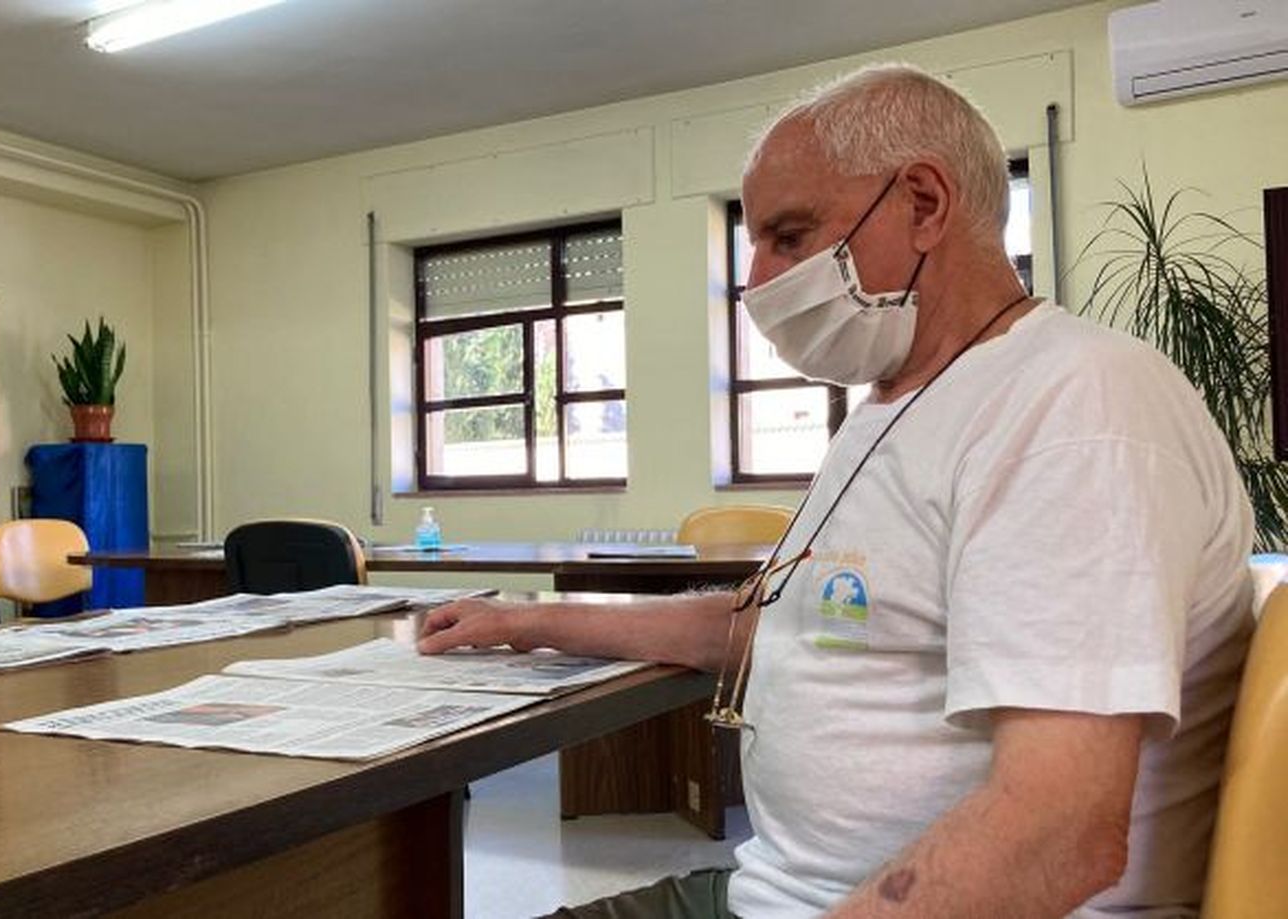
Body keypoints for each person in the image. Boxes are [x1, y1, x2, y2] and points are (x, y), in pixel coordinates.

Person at [419, 63, 1255, 919]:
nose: (757, 283)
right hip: (782, 891)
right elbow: (778, 619)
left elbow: (1057, 830)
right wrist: (533, 621)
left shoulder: (1071, 408)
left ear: (924, 204)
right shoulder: (895, 405)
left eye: (788, 236)